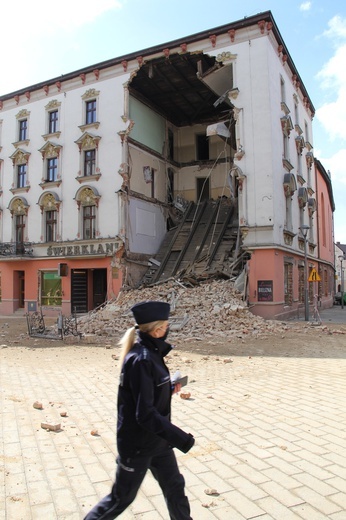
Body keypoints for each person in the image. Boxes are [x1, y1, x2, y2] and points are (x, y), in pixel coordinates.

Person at [84, 300, 195, 520]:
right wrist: (181, 438)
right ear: (157, 330)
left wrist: (170, 387)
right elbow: (144, 413)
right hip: (137, 446)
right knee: (121, 498)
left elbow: (149, 393)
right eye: (165, 326)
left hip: (159, 443)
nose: (167, 329)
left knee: (175, 489)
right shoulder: (142, 360)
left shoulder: (152, 354)